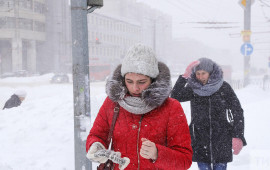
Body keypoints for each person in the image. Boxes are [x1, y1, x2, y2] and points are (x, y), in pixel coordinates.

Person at [86, 44, 193, 170]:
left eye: (142, 82)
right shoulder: (112, 103)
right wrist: (95, 145)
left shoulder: (171, 107)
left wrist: (157, 154)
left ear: (153, 80)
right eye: (129, 81)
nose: (134, 88)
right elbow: (96, 135)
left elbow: (185, 160)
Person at [171, 58, 247, 170]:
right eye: (197, 73)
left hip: (221, 139)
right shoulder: (193, 88)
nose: (200, 77)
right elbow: (175, 96)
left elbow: (237, 111)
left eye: (203, 73)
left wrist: (238, 136)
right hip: (200, 139)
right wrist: (184, 77)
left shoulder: (223, 87)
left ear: (210, 73)